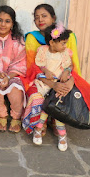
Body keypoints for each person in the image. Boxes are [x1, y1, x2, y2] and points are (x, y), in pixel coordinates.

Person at [22, 4, 81, 136]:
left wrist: (68, 83)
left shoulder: (68, 37)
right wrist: (53, 84)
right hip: (42, 79)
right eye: (36, 18)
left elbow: (74, 64)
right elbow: (33, 67)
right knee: (37, 93)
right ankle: (39, 121)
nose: (40, 20)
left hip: (65, 77)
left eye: (44, 16)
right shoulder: (32, 38)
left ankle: (57, 119)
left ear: (53, 18)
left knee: (64, 91)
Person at [31, 23, 76, 151]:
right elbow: (39, 64)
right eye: (62, 43)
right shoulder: (43, 50)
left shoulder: (65, 53)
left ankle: (39, 127)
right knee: (51, 102)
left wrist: (67, 71)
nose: (65, 46)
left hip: (59, 81)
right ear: (51, 42)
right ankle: (61, 133)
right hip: (46, 82)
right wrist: (45, 71)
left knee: (55, 102)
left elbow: (70, 65)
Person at [0, 6, 26, 133]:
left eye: (7, 21)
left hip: (13, 75)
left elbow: (20, 62)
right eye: (0, 20)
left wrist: (8, 76)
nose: (3, 24)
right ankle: (1, 114)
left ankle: (16, 116)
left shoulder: (18, 41)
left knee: (15, 89)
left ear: (13, 23)